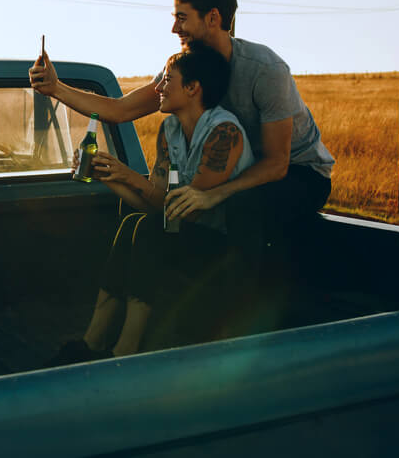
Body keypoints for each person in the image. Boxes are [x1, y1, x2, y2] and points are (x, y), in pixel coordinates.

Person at [29, 0, 333, 232]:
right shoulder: (181, 69)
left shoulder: (265, 70)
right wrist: (56, 88)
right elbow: (120, 110)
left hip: (299, 172)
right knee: (156, 209)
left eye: (182, 18)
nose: (174, 28)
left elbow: (277, 163)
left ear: (213, 17)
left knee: (240, 208)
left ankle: (244, 295)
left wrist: (215, 194)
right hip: (235, 165)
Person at [49, 41, 254, 363]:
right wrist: (108, 176)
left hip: (224, 241)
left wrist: (128, 175)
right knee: (136, 221)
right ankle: (93, 340)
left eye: (167, 80)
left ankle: (125, 350)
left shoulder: (223, 133)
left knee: (149, 230)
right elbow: (153, 203)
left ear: (192, 88)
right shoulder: (170, 128)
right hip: (181, 230)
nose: (158, 87)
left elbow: (185, 212)